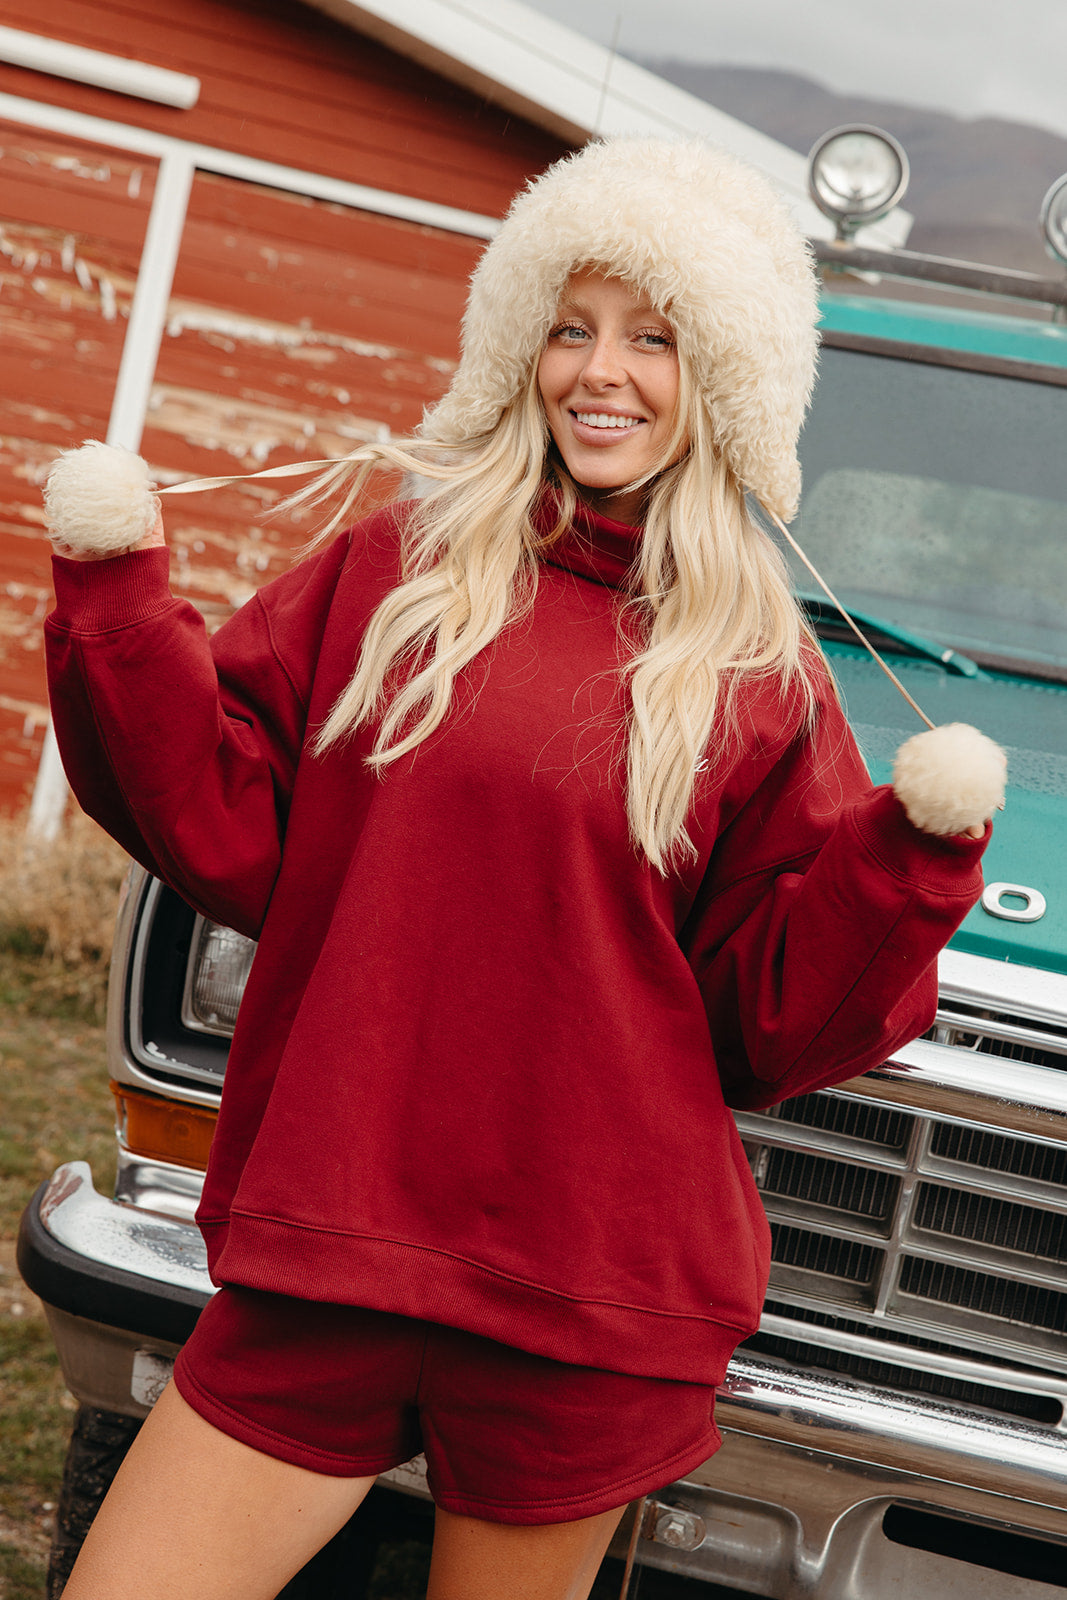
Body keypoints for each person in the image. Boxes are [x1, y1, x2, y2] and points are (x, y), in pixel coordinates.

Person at [42, 137, 994, 1600]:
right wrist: (119, 607)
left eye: (654, 338)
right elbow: (221, 819)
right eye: (570, 326)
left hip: (586, 1303)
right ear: (517, 345)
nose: (600, 374)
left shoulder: (760, 672)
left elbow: (768, 1024)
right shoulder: (395, 569)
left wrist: (906, 863)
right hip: (335, 1243)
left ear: (725, 379)